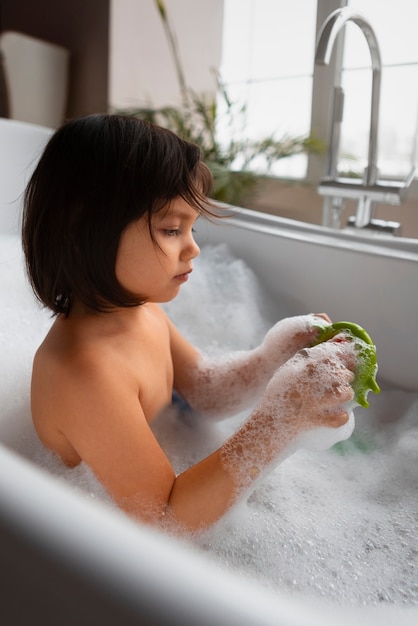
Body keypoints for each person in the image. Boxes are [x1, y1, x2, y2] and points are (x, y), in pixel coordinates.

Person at [22, 114, 355, 531]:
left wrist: (273, 356)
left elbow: (205, 390)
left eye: (191, 229)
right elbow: (164, 520)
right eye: (171, 229)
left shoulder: (141, 312)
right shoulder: (82, 372)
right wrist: (278, 420)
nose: (193, 248)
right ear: (81, 229)